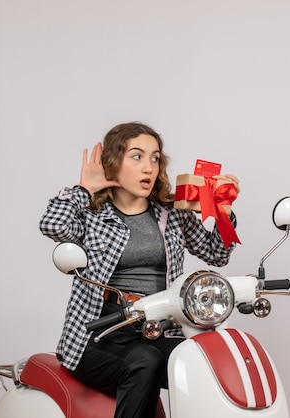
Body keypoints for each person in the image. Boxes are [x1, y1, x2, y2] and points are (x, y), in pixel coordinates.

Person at [39, 122, 239, 418]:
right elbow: (52, 225)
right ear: (113, 163)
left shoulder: (172, 214)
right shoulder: (93, 215)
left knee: (206, 358)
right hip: (101, 335)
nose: (148, 167)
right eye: (137, 156)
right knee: (146, 361)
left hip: (158, 329)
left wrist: (224, 214)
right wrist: (84, 189)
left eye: (155, 158)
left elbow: (215, 253)